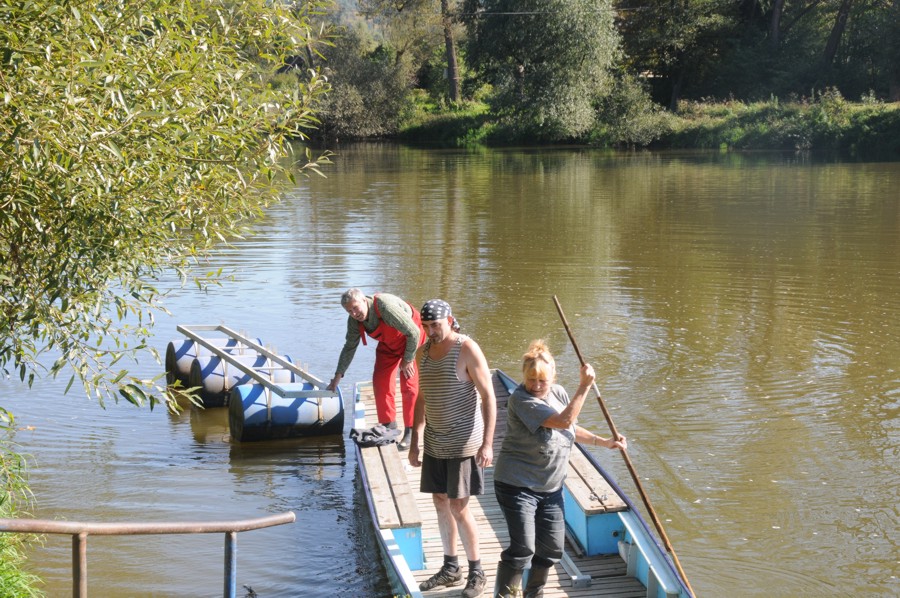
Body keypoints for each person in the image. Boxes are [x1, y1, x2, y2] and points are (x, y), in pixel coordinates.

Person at [492, 340, 627, 598]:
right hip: (517, 486)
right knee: (522, 550)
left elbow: (571, 428)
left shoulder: (559, 393)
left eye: (542, 380)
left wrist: (605, 442)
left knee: (551, 550)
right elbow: (564, 419)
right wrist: (585, 385)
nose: (536, 386)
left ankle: (534, 594)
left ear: (552, 377)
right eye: (531, 379)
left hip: (551, 488)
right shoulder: (521, 399)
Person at [408, 299, 497, 598]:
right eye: (427, 326)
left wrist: (487, 444)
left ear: (450, 320)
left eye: (437, 325)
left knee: (460, 507)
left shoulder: (467, 348)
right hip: (435, 442)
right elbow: (421, 398)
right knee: (439, 501)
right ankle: (450, 567)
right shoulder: (423, 353)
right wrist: (415, 440)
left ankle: (477, 571)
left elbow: (489, 398)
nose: (432, 331)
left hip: (463, 443)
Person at [327, 288, 424, 449]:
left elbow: (413, 332)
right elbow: (349, 347)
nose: (354, 313)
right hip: (389, 344)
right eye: (349, 311)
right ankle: (389, 426)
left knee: (409, 384)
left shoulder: (385, 307)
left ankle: (410, 431)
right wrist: (338, 376)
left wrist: (407, 359)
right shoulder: (354, 321)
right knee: (380, 381)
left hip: (411, 339)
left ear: (364, 300)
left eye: (356, 308)